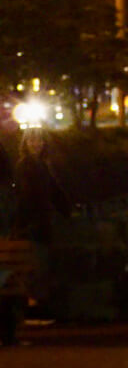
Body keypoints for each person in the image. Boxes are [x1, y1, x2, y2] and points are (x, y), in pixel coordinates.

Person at [12, 128, 72, 321]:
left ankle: (37, 307)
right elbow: (29, 197)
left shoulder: (41, 166)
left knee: (41, 267)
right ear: (26, 144)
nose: (36, 145)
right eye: (32, 141)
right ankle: (34, 309)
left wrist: (66, 208)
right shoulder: (26, 166)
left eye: (38, 141)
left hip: (40, 224)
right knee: (38, 268)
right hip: (34, 226)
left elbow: (54, 191)